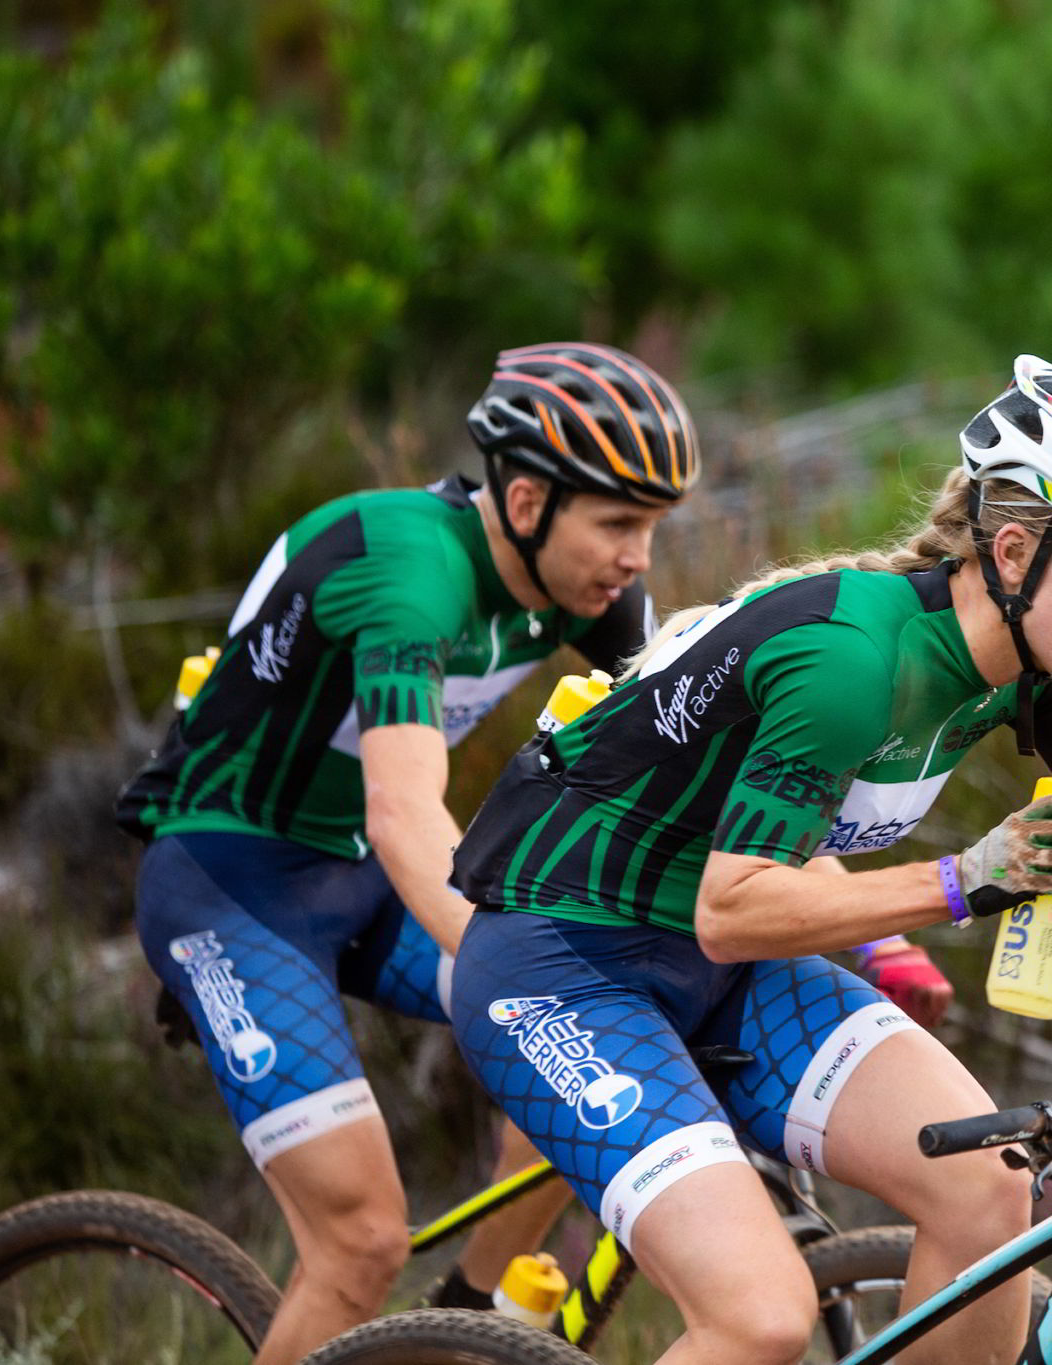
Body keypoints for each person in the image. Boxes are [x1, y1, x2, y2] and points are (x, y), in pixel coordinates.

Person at [445, 354, 1052, 1365]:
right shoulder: (850, 663)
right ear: (1013, 549)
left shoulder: (1029, 666)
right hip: (562, 968)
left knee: (992, 1186)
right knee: (761, 1319)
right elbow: (731, 910)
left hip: (719, 973)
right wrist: (963, 880)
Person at [116, 343, 702, 1365]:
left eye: (651, 527)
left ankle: (457, 1329)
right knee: (358, 1242)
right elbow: (403, 813)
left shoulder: (585, 589)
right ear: (525, 501)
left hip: (355, 876)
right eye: (617, 523)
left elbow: (699, 765)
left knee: (582, 1077)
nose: (637, 559)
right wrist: (505, 968)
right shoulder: (408, 569)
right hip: (230, 883)